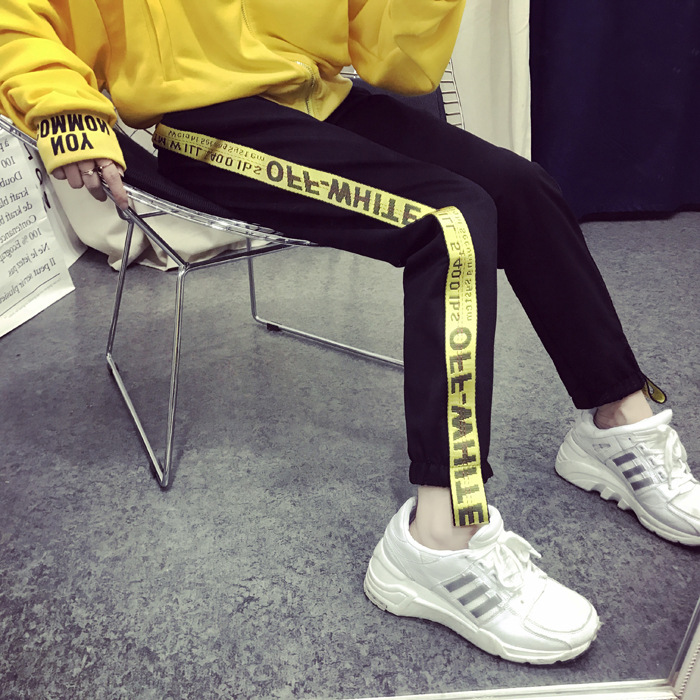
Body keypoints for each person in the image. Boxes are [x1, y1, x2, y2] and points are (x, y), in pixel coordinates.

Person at [1, 0, 697, 665]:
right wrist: (65, 110)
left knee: (524, 189)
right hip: (200, 124)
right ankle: (439, 538)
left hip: (323, 102)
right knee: (449, 225)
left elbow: (397, 62)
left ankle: (617, 420)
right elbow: (20, 19)